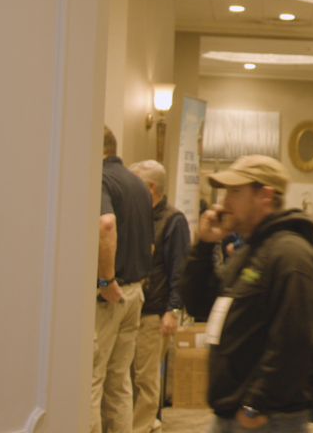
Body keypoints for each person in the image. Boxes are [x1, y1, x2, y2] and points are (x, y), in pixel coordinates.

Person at [180, 155, 313, 432]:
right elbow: (201, 304)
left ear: (265, 195)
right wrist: (204, 247)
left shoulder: (290, 254)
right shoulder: (250, 251)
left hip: (266, 419)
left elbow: (294, 339)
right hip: (236, 414)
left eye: (235, 191)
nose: (225, 201)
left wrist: (256, 405)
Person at [92, 127, 154, 433]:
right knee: (119, 382)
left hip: (110, 298)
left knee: (91, 380)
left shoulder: (100, 179)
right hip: (135, 295)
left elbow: (106, 225)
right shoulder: (139, 184)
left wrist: (106, 281)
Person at [127, 160, 191, 433]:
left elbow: (180, 269)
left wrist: (172, 310)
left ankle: (140, 428)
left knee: (146, 378)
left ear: (151, 186)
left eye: (135, 181)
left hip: (156, 313)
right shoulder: (139, 216)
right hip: (134, 310)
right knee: (130, 377)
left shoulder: (173, 221)